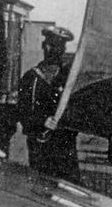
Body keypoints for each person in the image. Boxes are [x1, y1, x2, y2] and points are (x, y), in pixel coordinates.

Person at [16, 25, 81, 184]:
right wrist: (42, 121)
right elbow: (23, 112)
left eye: (60, 47)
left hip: (65, 144)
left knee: (69, 186)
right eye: (52, 46)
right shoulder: (32, 78)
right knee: (42, 185)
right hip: (41, 145)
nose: (56, 51)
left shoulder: (68, 78)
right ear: (45, 47)